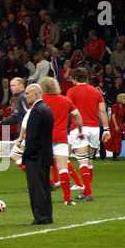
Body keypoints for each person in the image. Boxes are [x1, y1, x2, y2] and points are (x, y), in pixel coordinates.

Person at [37, 77, 84, 205]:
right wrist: (80, 131)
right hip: (61, 138)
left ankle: (42, 200)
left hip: (44, 139)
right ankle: (67, 200)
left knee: (41, 169)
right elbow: (77, 115)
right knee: (63, 168)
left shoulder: (40, 101)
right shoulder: (65, 100)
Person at [66, 68, 110, 201]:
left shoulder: (71, 91)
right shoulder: (96, 91)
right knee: (89, 161)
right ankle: (85, 192)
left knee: (82, 161)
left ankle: (88, 193)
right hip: (94, 129)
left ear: (74, 78)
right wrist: (106, 129)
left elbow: (67, 109)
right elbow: (102, 111)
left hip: (79, 128)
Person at [18, 84, 54, 225]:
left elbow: (33, 137)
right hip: (44, 155)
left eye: (27, 93)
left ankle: (40, 217)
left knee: (36, 188)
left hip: (36, 156)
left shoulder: (37, 111)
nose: (25, 96)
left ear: (36, 95)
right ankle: (47, 216)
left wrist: (27, 154)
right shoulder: (46, 109)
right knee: (44, 187)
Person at [0, 77, 29, 170]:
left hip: (27, 133)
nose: (11, 88)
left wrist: (26, 132)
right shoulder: (19, 97)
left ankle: (42, 180)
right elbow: (16, 116)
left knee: (15, 155)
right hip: (26, 132)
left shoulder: (23, 97)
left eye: (14, 85)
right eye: (10, 86)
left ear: (21, 86)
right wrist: (2, 122)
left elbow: (29, 114)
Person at [104, 94, 125, 161]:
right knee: (115, 139)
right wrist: (116, 126)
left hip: (119, 123)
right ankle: (114, 156)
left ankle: (115, 155)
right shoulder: (115, 106)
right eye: (124, 98)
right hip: (114, 124)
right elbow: (113, 116)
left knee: (118, 140)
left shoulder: (123, 107)